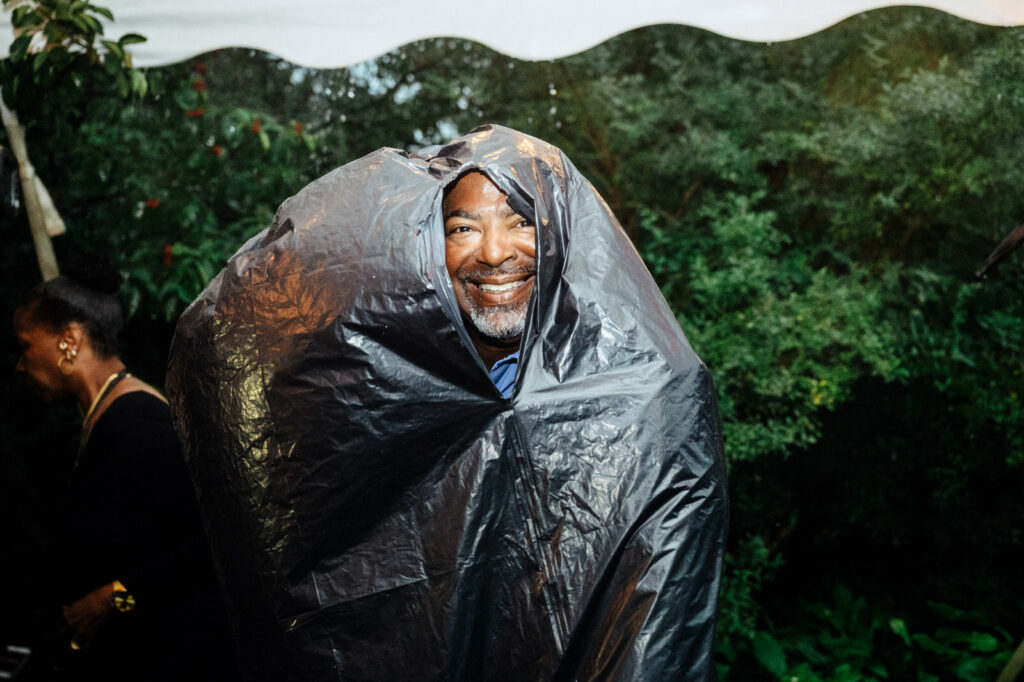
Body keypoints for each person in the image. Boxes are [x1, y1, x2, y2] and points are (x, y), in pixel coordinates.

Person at [169, 124, 728, 681]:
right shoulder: (383, 398)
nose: (495, 252)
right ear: (425, 250)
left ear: (562, 233)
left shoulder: (644, 395)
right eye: (463, 228)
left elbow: (655, 618)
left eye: (520, 221)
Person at [13, 266, 237, 681]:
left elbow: (215, 537)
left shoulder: (137, 422)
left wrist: (114, 597)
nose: (19, 365)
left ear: (69, 340)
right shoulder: (106, 415)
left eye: (25, 346)